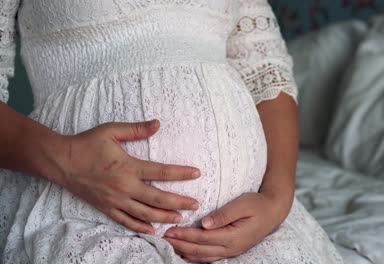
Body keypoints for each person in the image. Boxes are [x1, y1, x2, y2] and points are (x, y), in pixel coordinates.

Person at [0, 0, 343, 263]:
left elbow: (267, 74)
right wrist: (67, 160)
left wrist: (277, 198)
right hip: (79, 218)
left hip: (253, 232)